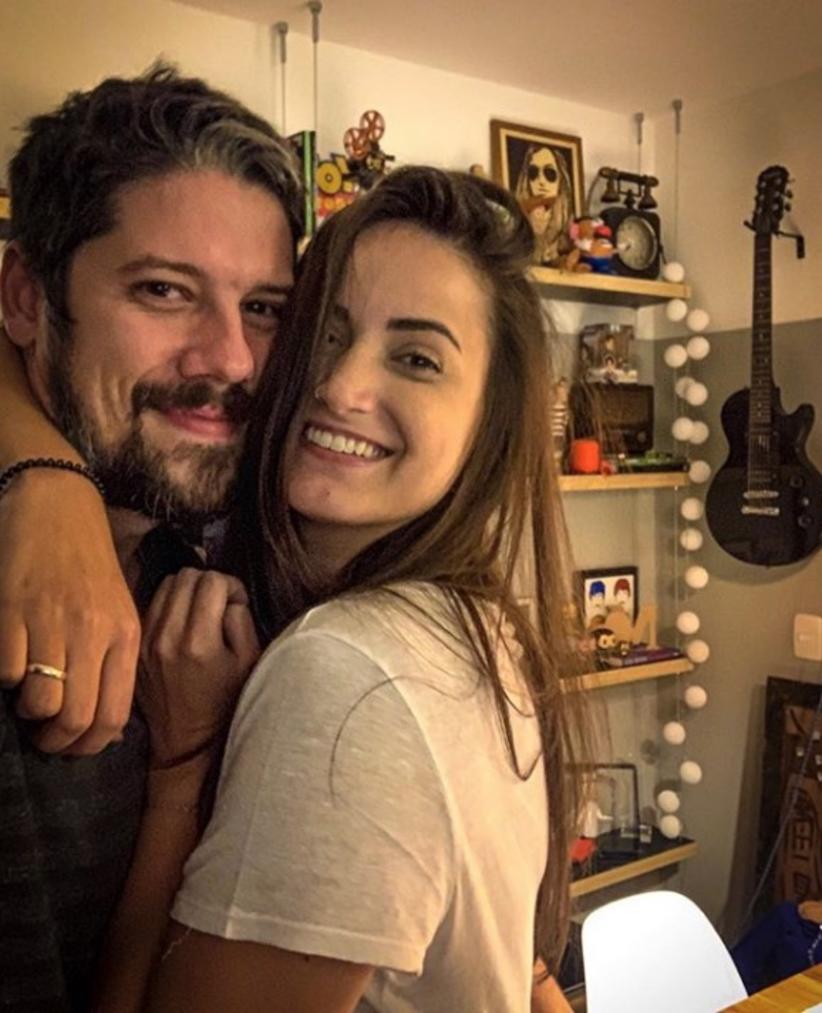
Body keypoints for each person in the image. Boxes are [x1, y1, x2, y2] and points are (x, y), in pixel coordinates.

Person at [92, 166, 589, 1012]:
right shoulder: (475, 621)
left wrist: (183, 767)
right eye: (324, 333)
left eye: (417, 359)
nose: (340, 386)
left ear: (489, 426)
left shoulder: (346, 671)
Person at [0, 64, 301, 1010]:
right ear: (25, 297)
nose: (232, 359)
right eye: (165, 290)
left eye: (264, 307)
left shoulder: (216, 547)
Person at [514, 144, 574, 267]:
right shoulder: (517, 220)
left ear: (561, 179)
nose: (541, 181)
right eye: (533, 173)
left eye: (549, 173)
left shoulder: (569, 224)